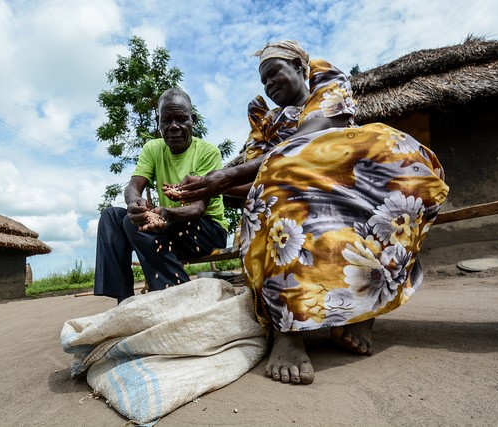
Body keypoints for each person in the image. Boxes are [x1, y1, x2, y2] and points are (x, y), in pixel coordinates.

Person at [173, 41, 449, 385]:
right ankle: (288, 330)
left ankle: (363, 311)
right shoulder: (266, 122)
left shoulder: (330, 88)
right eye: (263, 82)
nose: (269, 85)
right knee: (275, 187)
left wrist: (225, 176)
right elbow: (257, 180)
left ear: (301, 68)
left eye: (274, 73)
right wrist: (212, 187)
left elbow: (306, 141)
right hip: (290, 193)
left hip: (347, 187)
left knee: (392, 158)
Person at [94, 88, 229, 304]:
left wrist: (165, 213)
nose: (174, 126)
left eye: (181, 119)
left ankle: (178, 295)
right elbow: (133, 185)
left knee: (133, 224)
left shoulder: (207, 152)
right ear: (159, 123)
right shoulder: (153, 149)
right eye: (166, 120)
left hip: (205, 228)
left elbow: (198, 208)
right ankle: (124, 300)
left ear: (192, 120)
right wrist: (133, 202)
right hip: (169, 225)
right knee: (111, 216)